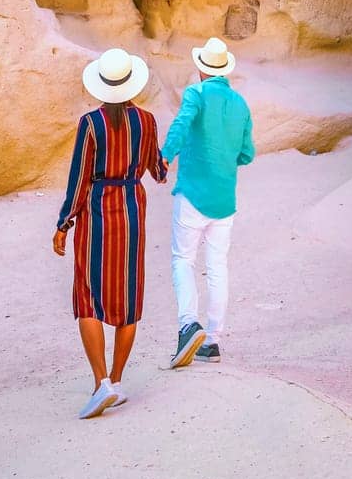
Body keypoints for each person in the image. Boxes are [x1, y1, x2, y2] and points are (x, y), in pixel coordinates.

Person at [53, 47, 168, 419]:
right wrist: (163, 159)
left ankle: (100, 382)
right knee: (128, 295)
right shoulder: (148, 121)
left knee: (88, 295)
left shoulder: (91, 124)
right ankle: (116, 382)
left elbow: (79, 178)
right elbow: (159, 171)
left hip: (98, 211)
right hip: (133, 209)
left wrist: (63, 223)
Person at [161, 35, 254, 368]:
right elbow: (247, 153)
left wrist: (165, 156)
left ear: (201, 68)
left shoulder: (195, 94)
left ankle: (188, 325)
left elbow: (181, 125)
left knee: (182, 260)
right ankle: (212, 342)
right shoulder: (240, 104)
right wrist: (224, 158)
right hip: (224, 200)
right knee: (217, 268)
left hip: (192, 194)